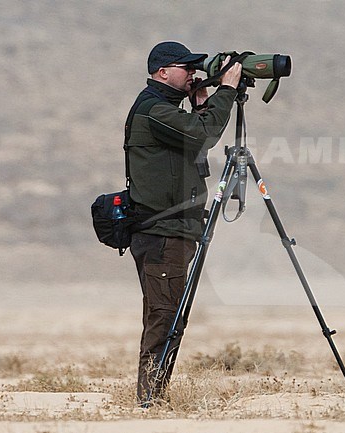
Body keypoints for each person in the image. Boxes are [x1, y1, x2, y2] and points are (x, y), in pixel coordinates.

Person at [124, 41, 242, 405]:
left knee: (166, 314)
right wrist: (227, 90)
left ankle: (152, 396)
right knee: (164, 317)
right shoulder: (154, 110)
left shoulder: (164, 110)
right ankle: (150, 401)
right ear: (162, 71)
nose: (192, 73)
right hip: (162, 234)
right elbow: (202, 134)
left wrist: (203, 102)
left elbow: (194, 143)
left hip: (171, 232)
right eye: (185, 68)